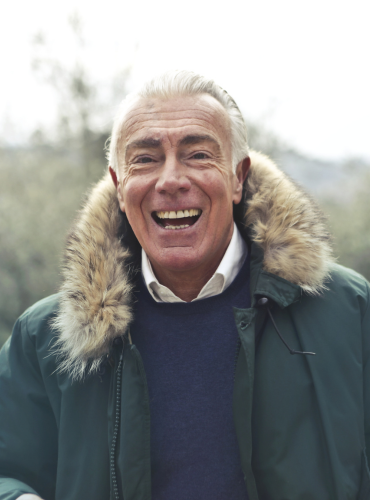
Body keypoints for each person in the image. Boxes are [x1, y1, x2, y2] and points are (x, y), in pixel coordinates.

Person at [0, 70, 370, 500]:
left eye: (197, 154)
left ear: (238, 177)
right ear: (119, 187)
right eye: (145, 158)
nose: (171, 180)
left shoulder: (348, 312)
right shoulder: (45, 339)